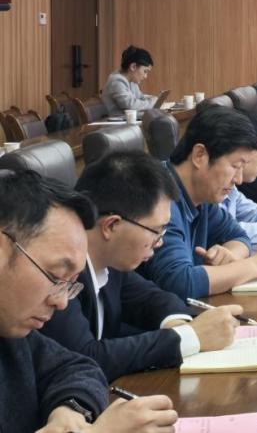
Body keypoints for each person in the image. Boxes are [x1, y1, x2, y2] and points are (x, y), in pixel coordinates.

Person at [0, 169, 178, 433]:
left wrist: (70, 410)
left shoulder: (14, 332)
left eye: (69, 284)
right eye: (55, 276)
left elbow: (77, 367)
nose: (61, 303)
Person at [41, 153, 242, 381]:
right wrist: (189, 337)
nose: (160, 242)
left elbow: (150, 299)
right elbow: (83, 356)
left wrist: (182, 324)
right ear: (111, 225)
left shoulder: (111, 262)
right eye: (156, 231)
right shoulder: (58, 273)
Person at [138, 106, 257, 300]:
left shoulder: (202, 195)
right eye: (235, 166)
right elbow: (179, 282)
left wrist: (230, 256)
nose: (239, 179)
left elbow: (239, 236)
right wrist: (255, 266)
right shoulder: (161, 198)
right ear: (200, 155)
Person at [102, 45, 157, 116]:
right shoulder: (117, 81)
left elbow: (140, 97)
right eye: (145, 71)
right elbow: (130, 105)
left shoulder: (131, 81)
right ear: (133, 67)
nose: (145, 76)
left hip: (127, 119)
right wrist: (152, 103)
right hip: (117, 121)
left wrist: (151, 98)